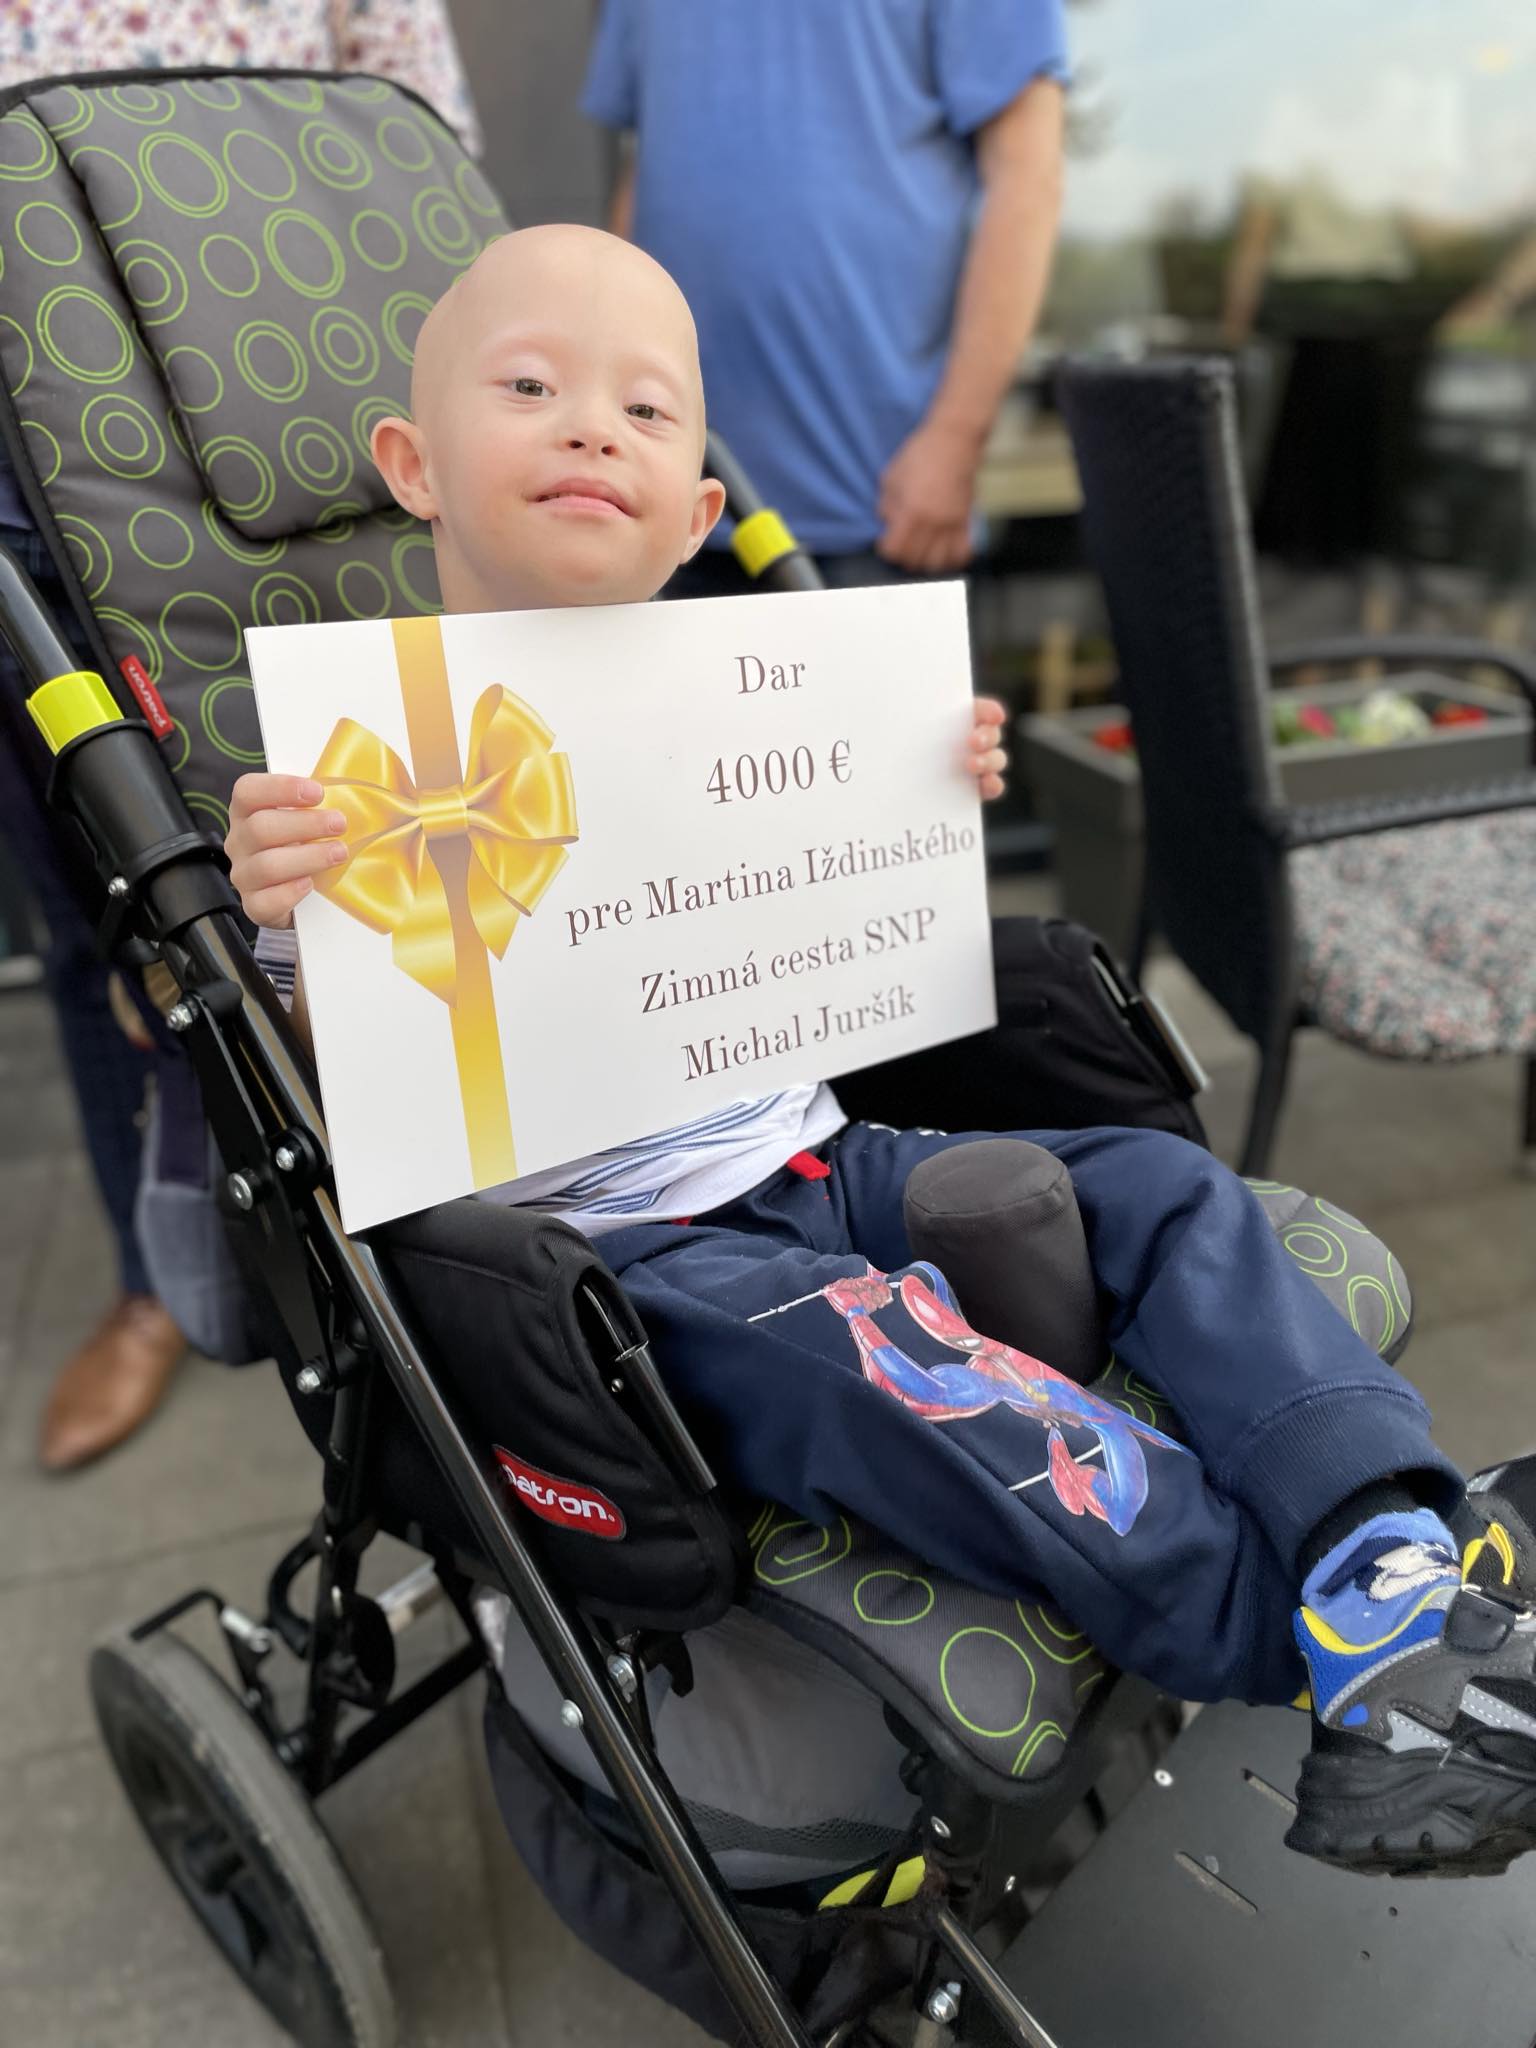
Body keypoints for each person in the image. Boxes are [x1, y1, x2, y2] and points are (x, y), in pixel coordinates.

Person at [226, 225, 1536, 1877]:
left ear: (697, 511)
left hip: (825, 1150)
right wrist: (297, 919)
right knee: (889, 1361)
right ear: (415, 467)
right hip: (622, 1252)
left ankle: (1388, 1537)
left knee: (1162, 1190)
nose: (593, 428)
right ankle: (1306, 1639)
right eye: (533, 388)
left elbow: (853, 922)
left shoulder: (759, 706)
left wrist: (913, 778)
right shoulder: (354, 779)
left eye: (646, 409)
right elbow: (341, 1096)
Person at [0, 1, 479, 1469]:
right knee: (116, 914)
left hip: (309, 382)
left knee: (386, 841)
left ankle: (435, 1191)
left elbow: (424, 149)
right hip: (32, 429)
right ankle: (159, 1280)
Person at [580, 0, 1067, 591]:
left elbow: (1027, 176)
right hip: (664, 503)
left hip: (879, 510)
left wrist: (956, 437)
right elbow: (647, 167)